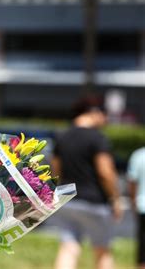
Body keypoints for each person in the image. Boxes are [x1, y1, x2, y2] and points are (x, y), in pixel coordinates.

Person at [51, 96, 123, 269]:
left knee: (69, 247)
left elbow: (55, 170)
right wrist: (115, 198)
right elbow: (105, 172)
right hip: (94, 201)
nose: (105, 119)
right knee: (102, 250)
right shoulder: (97, 138)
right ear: (95, 112)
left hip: (67, 199)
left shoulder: (62, 136)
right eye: (104, 113)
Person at [127, 146, 145, 269]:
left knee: (143, 248)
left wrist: (133, 202)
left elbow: (132, 181)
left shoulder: (139, 155)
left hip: (142, 205)